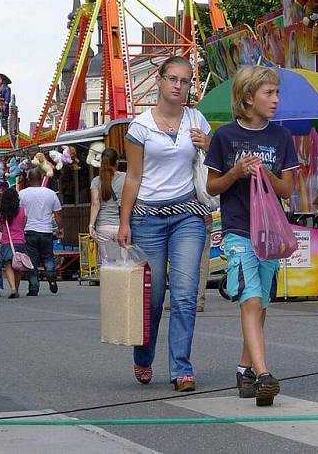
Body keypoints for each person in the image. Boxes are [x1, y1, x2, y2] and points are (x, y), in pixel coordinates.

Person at [205, 65, 299, 407]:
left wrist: (266, 172)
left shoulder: (281, 137)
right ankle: (263, 375)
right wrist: (236, 171)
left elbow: (287, 189)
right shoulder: (225, 137)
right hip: (237, 230)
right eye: (268, 93)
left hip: (270, 232)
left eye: (276, 93)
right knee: (251, 300)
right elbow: (212, 185)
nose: (275, 100)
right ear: (248, 98)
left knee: (261, 307)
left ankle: (244, 369)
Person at [118, 56, 212, 392]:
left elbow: (209, 166)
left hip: (188, 215)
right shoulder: (139, 127)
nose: (178, 86)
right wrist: (124, 221)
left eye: (185, 81)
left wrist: (209, 146)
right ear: (159, 80)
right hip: (147, 218)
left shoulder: (197, 119)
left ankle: (181, 369)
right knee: (153, 299)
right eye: (172, 78)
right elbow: (133, 176)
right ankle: (143, 357)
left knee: (185, 295)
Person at [19, 168, 62, 296]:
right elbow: (58, 213)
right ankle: (51, 276)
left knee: (32, 261)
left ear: (29, 179)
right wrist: (60, 228)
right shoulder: (50, 193)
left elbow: (19, 214)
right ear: (41, 178)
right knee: (48, 256)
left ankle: (34, 287)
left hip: (29, 231)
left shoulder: (22, 194)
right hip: (46, 230)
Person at [89, 148, 125, 262]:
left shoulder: (96, 181)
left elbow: (95, 203)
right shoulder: (126, 178)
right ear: (117, 162)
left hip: (104, 227)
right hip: (122, 226)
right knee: (123, 263)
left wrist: (91, 225)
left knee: (108, 264)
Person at [0, 187, 27, 299]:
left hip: (7, 241)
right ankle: (17, 288)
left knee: (9, 265)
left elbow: (1, 229)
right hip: (20, 240)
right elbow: (23, 225)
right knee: (18, 266)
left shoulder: (2, 212)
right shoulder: (23, 210)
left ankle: (13, 289)